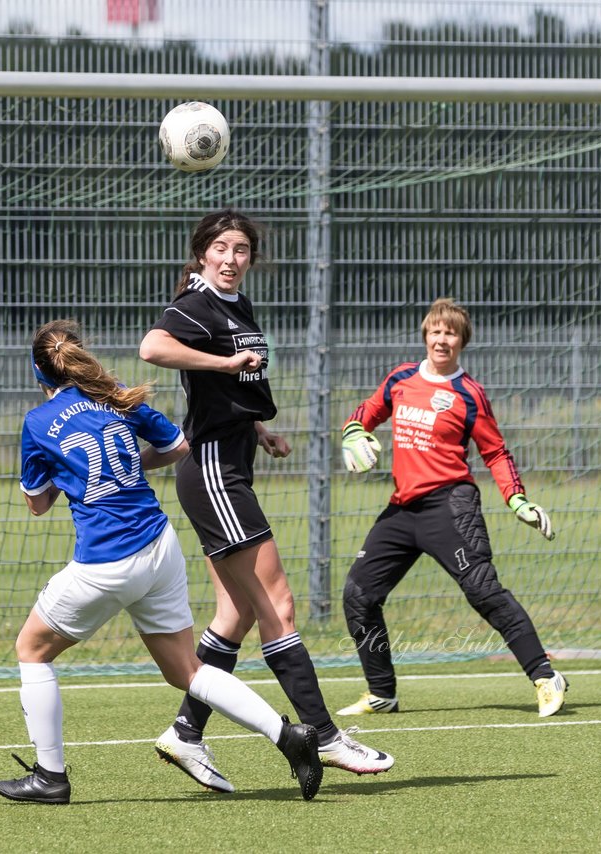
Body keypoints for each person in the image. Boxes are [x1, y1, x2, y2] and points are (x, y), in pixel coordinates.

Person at [0, 319, 325, 805]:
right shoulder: (115, 392)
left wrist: (76, 474)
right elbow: (176, 446)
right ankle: (288, 736)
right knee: (187, 671)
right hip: (159, 546)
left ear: (39, 374)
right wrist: (126, 463)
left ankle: (50, 777)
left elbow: (38, 503)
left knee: (31, 650)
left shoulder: (39, 423)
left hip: (107, 560)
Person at [138, 209, 393, 795]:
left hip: (231, 466)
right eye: (221, 248)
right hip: (212, 477)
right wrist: (226, 361)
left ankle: (185, 732)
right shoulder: (196, 304)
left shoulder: (236, 307)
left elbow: (219, 396)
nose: (231, 259)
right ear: (202, 253)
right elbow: (153, 347)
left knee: (238, 614)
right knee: (277, 601)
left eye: (243, 250)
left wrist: (256, 429)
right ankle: (325, 735)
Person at [337, 296, 568, 718]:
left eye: (451, 333)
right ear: (425, 335)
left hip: (451, 505)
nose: (442, 340)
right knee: (358, 595)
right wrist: (353, 433)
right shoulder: (400, 379)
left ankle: (545, 675)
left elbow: (496, 452)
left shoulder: (469, 393)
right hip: (402, 509)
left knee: (483, 591)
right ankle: (382, 693)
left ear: (462, 341)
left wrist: (517, 500)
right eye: (436, 331)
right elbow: (365, 414)